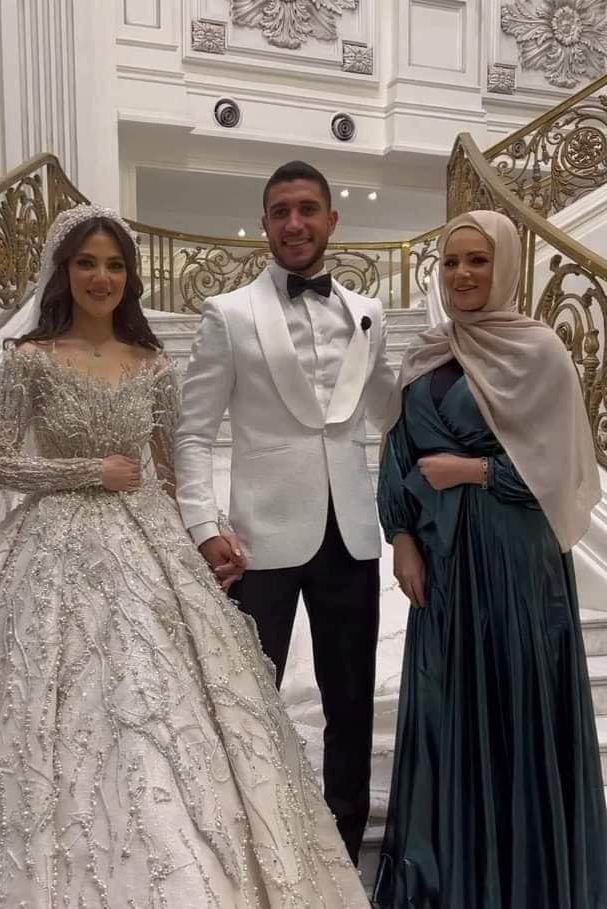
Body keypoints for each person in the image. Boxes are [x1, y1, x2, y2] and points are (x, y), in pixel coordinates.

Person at [0, 204, 371, 907]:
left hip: (147, 545)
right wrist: (88, 471)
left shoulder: (152, 364)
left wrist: (208, 533)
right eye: (87, 263)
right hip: (50, 546)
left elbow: (171, 469)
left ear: (129, 277)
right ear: (64, 271)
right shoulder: (29, 360)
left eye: (114, 265)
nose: (101, 277)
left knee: (168, 696)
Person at [372, 210, 607, 908]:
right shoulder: (426, 353)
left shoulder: (539, 351)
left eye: (478, 260)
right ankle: (451, 882)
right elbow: (398, 449)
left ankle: (523, 884)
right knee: (445, 712)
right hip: (442, 563)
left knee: (514, 714)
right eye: (451, 262)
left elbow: (561, 467)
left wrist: (473, 471)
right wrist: (401, 536)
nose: (463, 274)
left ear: (505, 266)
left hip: (514, 565)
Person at [175, 161, 397, 865]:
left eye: (306, 209)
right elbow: (193, 431)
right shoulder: (229, 314)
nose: (294, 223)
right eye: (280, 212)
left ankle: (341, 851)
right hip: (258, 539)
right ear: (265, 224)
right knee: (250, 699)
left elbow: (390, 412)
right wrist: (203, 526)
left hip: (351, 535)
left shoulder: (370, 313)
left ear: (332, 219)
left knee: (350, 703)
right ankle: (254, 842)